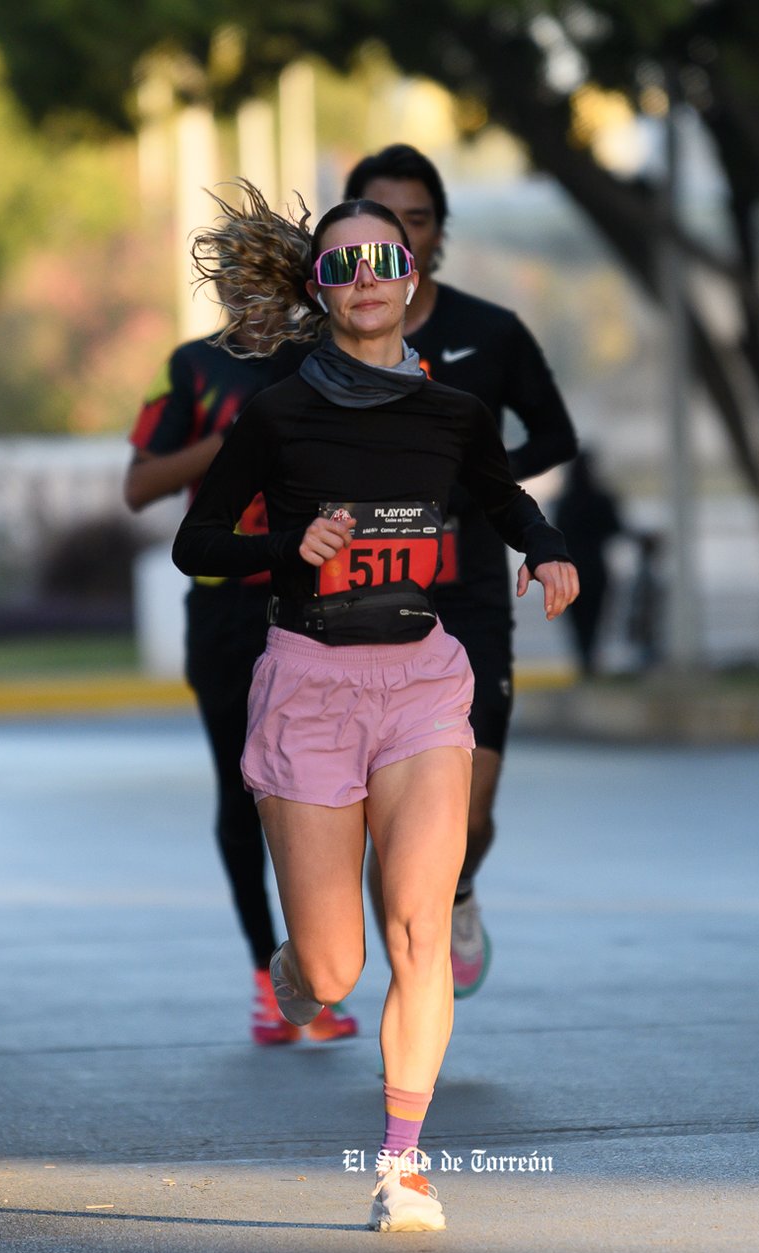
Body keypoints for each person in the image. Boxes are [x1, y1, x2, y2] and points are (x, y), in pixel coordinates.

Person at [171, 181, 579, 1231]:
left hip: (420, 684)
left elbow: (501, 496)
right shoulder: (277, 411)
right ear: (322, 285)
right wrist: (281, 548)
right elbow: (196, 542)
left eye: (382, 262)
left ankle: (403, 1163)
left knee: (412, 930)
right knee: (333, 966)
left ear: (410, 279)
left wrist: (545, 549)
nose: (365, 280)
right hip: (308, 683)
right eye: (342, 264)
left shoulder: (452, 411)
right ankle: (294, 969)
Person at [344, 145, 578, 996]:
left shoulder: (490, 332)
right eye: (383, 219)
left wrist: (482, 473)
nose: (401, 235)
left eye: (418, 218)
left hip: (469, 598)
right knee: (394, 824)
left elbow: (557, 436)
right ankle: (412, 995)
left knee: (466, 816)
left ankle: (463, 887)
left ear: (438, 234)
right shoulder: (324, 345)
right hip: (360, 606)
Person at [123, 321, 359, 1047]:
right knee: (245, 794)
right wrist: (232, 438)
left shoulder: (329, 359)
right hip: (227, 607)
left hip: (318, 598)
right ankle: (271, 977)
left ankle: (320, 965)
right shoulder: (193, 367)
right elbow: (139, 486)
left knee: (328, 793)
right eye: (231, 268)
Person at [554, 450, 624, 675]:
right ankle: (589, 661)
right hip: (595, 568)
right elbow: (616, 529)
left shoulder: (563, 502)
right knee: (594, 620)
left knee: (578, 623)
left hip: (569, 571)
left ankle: (584, 660)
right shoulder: (602, 499)